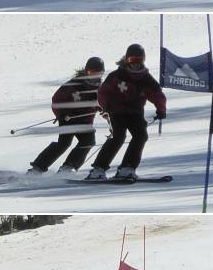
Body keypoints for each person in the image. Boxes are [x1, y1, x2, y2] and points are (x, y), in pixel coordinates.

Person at [85, 44, 166, 181]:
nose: (135, 64)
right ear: (127, 60)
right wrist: (106, 106)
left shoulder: (146, 78)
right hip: (117, 111)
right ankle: (98, 169)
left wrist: (161, 109)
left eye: (138, 61)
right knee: (118, 137)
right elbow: (103, 91)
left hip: (136, 113)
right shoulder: (118, 75)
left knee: (141, 136)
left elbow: (157, 94)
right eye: (132, 60)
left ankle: (127, 168)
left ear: (143, 60)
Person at [28, 57, 105, 174]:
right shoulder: (74, 84)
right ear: (86, 71)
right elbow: (56, 100)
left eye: (98, 73)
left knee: (88, 141)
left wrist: (106, 111)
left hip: (85, 121)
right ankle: (38, 167)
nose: (94, 76)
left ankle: (69, 167)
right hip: (68, 118)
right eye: (91, 73)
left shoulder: (101, 88)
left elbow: (102, 103)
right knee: (64, 143)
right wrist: (61, 114)